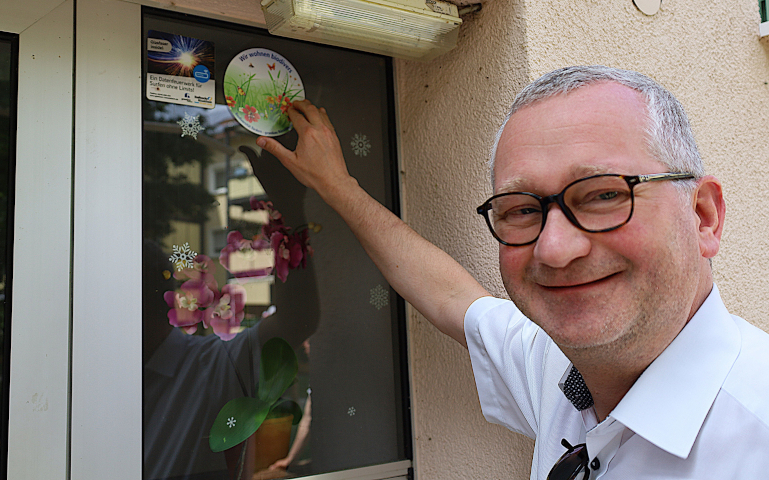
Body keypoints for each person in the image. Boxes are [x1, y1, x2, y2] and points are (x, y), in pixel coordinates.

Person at [254, 66, 769, 479]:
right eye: (522, 209)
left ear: (703, 216)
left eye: (603, 195)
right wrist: (336, 187)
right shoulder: (559, 368)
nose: (554, 249)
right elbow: (450, 296)